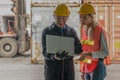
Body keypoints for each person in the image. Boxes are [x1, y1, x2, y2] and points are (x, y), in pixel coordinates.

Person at [41, 3, 82, 80]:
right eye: (58, 18)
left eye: (64, 18)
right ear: (54, 16)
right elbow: (44, 51)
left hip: (68, 71)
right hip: (52, 71)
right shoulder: (46, 31)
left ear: (68, 17)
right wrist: (54, 57)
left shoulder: (71, 32)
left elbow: (79, 48)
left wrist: (69, 52)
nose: (61, 21)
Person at [78, 3, 109, 80]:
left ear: (91, 17)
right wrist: (83, 71)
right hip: (87, 67)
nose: (82, 20)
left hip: (98, 67)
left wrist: (88, 54)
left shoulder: (100, 30)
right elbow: (85, 49)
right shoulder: (84, 29)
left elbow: (105, 52)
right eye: (80, 17)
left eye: (85, 18)